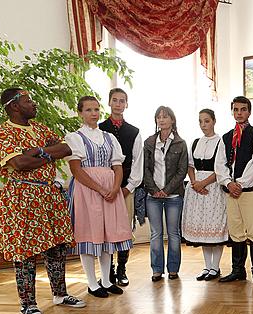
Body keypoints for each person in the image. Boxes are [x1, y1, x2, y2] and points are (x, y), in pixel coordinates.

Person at [0, 88, 86, 314]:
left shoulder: (40, 129)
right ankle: (28, 303)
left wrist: (38, 151)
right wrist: (44, 154)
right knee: (25, 251)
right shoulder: (2, 134)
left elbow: (66, 148)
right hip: (22, 198)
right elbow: (20, 163)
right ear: (14, 106)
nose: (33, 103)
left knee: (57, 246)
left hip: (49, 195)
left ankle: (60, 294)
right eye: (28, 100)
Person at [65, 96, 132, 298]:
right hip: (87, 190)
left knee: (107, 234)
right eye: (88, 110)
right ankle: (92, 283)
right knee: (89, 233)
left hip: (110, 189)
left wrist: (115, 187)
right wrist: (100, 189)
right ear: (80, 113)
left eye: (96, 109)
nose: (93, 113)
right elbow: (76, 170)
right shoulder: (75, 137)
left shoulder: (109, 137)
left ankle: (106, 279)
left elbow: (117, 166)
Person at [215, 96, 253, 287]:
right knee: (235, 231)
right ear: (232, 112)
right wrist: (229, 183)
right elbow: (219, 164)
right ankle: (238, 270)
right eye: (236, 110)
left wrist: (240, 184)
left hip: (249, 191)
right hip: (231, 191)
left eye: (243, 109)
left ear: (249, 112)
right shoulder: (226, 137)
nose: (239, 113)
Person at [99, 88, 143, 287]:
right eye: (115, 100)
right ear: (109, 103)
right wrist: (103, 188)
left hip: (125, 188)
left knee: (125, 229)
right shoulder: (98, 129)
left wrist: (128, 187)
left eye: (122, 101)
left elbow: (137, 162)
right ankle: (106, 272)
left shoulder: (134, 132)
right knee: (105, 229)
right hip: (104, 189)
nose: (118, 104)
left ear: (127, 104)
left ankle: (122, 269)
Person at [181, 108, 229, 280]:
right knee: (203, 230)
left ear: (214, 121)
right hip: (196, 189)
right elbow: (190, 165)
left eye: (207, 121)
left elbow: (220, 169)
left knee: (214, 228)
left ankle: (215, 267)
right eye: (200, 121)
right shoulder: (195, 142)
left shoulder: (221, 142)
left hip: (213, 188)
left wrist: (203, 183)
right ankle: (207, 267)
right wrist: (194, 183)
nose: (203, 124)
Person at [142, 106, 188, 281]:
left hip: (174, 196)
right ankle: (156, 270)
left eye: (165, 116)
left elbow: (182, 171)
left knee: (174, 233)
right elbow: (144, 168)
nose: (161, 120)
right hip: (152, 196)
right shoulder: (149, 142)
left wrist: (166, 190)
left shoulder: (180, 143)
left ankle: (174, 269)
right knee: (155, 234)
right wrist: (154, 190)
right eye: (158, 117)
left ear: (172, 120)